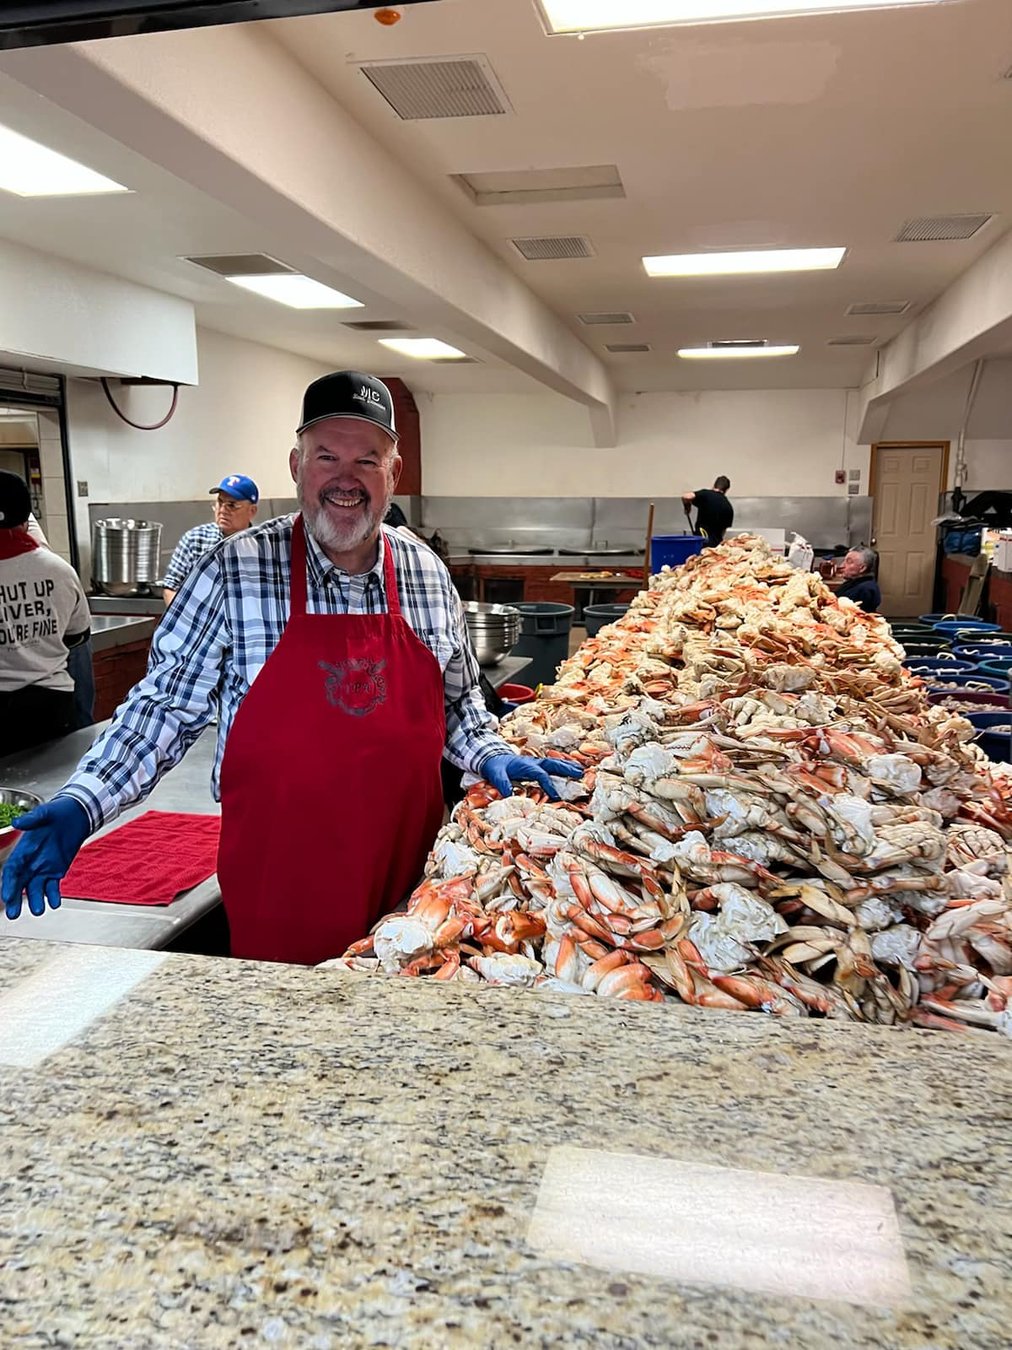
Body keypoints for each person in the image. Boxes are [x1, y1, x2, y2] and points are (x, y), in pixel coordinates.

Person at [2, 372, 580, 961]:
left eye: (367, 459)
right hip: (281, 889)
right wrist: (84, 801)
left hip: (414, 893)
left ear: (393, 474)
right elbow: (163, 711)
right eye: (326, 456)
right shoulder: (234, 573)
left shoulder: (427, 575)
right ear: (296, 465)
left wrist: (489, 752)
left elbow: (457, 703)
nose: (346, 478)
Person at [0, 471, 91, 756]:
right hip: (52, 702)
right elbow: (78, 636)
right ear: (27, 518)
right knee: (53, 780)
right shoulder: (59, 570)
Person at [162, 473, 259, 604]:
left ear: (252, 511)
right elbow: (171, 587)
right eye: (220, 502)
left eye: (232, 505)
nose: (223, 510)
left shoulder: (261, 547)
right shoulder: (195, 540)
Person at [682, 476, 734, 547]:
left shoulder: (705, 494)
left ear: (714, 485)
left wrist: (687, 507)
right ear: (726, 489)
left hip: (701, 541)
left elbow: (686, 496)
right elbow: (723, 531)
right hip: (715, 546)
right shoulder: (728, 506)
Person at [836, 546, 881, 613]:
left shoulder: (865, 589)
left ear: (862, 568)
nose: (841, 565)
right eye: (844, 561)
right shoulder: (853, 582)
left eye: (849, 562)